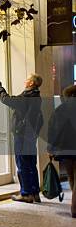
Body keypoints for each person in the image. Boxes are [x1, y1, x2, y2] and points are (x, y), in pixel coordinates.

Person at [0, 74, 43, 203]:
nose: (25, 80)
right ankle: (34, 193)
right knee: (31, 164)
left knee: (22, 163)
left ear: (32, 83)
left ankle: (26, 194)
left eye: (27, 79)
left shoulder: (27, 96)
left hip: (22, 134)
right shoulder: (36, 97)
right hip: (31, 135)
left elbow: (7, 100)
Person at [47, 85, 76, 218]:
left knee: (71, 176)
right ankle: (74, 208)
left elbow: (52, 130)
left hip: (65, 149)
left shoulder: (59, 110)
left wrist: (51, 148)